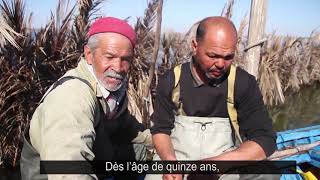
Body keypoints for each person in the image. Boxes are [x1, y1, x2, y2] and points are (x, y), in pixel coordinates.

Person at [20, 17, 152, 180]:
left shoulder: (110, 89)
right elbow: (69, 172)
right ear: (89, 54)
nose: (118, 68)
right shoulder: (72, 97)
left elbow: (126, 127)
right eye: (109, 57)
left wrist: (164, 141)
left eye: (125, 60)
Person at [145, 16, 277, 180]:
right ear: (195, 46)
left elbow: (265, 139)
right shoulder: (171, 80)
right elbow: (160, 130)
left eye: (228, 57)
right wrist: (169, 161)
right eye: (213, 55)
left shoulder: (243, 83)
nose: (221, 64)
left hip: (224, 164)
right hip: (177, 162)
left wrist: (215, 166)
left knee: (268, 173)